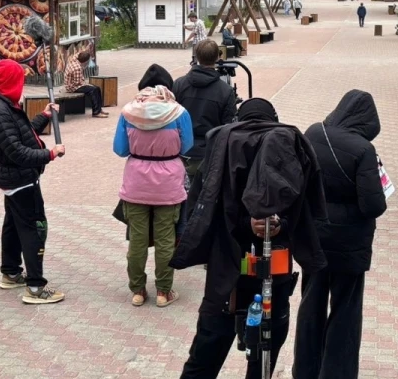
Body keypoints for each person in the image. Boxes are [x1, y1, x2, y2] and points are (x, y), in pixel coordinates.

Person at [173, 98, 328, 379]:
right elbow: (304, 210)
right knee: (265, 353)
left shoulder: (220, 149)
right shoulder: (288, 148)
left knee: (205, 354)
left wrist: (247, 223)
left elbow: (203, 210)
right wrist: (277, 223)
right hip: (273, 272)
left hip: (227, 274)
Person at [294, 90, 387, 379]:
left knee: (311, 304)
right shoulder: (363, 150)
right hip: (350, 244)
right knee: (346, 310)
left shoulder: (313, 132)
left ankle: (305, 369)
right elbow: (373, 205)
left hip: (315, 237)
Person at [0, 59, 67, 305]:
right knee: (34, 228)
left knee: (13, 224)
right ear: (11, 82)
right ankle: (35, 287)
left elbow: (24, 133)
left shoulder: (5, 104)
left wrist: (44, 116)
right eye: (19, 81)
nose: (22, 86)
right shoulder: (0, 111)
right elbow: (16, 152)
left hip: (14, 178)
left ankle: (10, 272)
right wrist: (50, 154)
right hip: (20, 179)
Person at [114, 70, 193, 308]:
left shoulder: (128, 112)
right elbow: (187, 146)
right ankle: (163, 292)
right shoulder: (179, 112)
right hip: (169, 184)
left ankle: (138, 290)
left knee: (137, 241)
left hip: (136, 184)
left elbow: (120, 149)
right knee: (166, 239)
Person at [172, 40, 237, 189]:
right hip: (210, 154)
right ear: (218, 57)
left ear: (196, 57)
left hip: (181, 151)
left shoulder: (178, 84)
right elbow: (229, 127)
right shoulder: (225, 91)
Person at [64, 48, 109, 118]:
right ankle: (96, 112)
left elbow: (78, 54)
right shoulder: (77, 68)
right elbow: (77, 83)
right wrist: (87, 84)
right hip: (72, 87)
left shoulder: (74, 58)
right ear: (85, 62)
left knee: (97, 88)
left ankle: (99, 109)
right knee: (93, 90)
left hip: (74, 83)